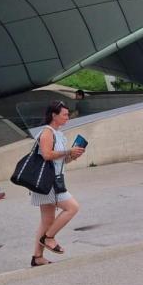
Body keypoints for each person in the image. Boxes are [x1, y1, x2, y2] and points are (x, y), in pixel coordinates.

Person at [30, 101, 85, 267]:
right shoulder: (47, 132)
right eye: (65, 115)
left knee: (47, 221)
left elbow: (58, 159)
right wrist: (68, 151)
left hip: (53, 180)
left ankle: (37, 257)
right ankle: (49, 237)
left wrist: (71, 156)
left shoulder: (58, 134)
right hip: (49, 182)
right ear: (54, 115)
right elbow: (47, 155)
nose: (67, 117)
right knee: (72, 207)